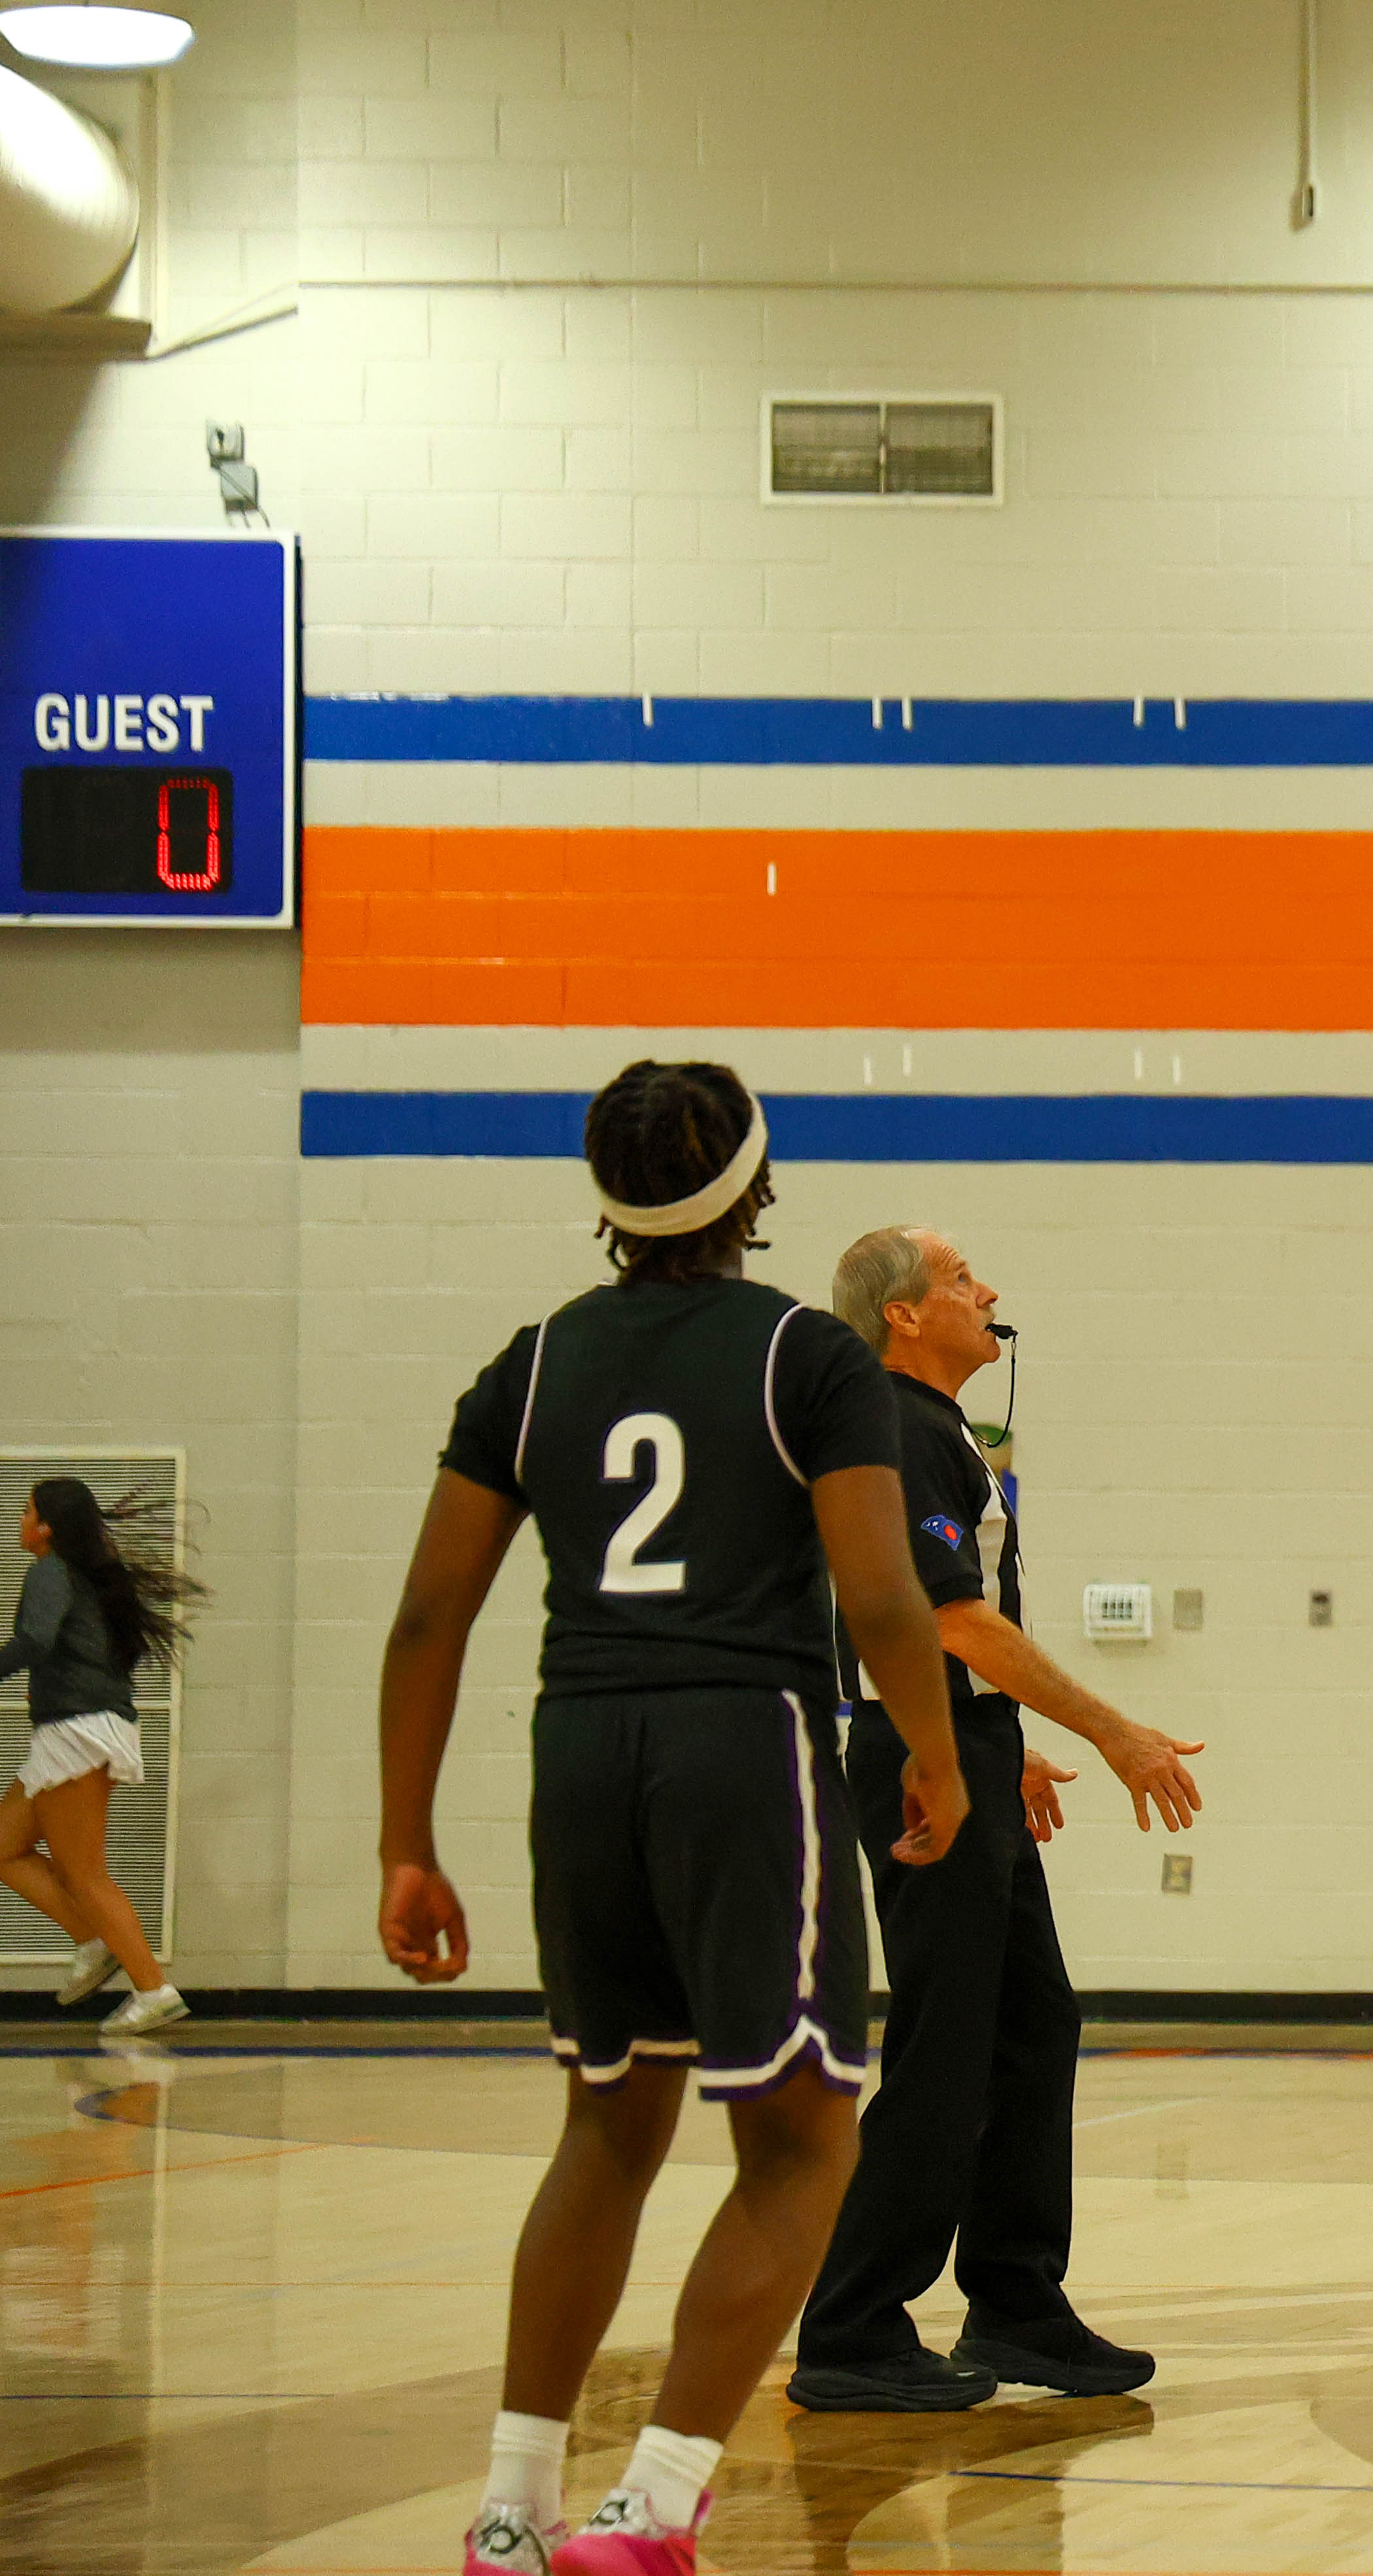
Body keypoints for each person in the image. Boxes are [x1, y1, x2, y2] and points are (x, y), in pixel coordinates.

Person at [377, 1059, 966, 2576]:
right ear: (753, 1189)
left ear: (608, 1195)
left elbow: (429, 1615)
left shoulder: (534, 1361)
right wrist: (935, 1753)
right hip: (740, 1741)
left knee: (607, 2122)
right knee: (804, 2135)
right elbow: (882, 1593)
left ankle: (512, 2508)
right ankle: (653, 2502)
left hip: (578, 1746)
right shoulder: (805, 1355)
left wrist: (405, 1840)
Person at [790, 1227, 1207, 2412]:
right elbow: (949, 1619)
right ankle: (852, 2324)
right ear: (903, 1313)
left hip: (956, 1744)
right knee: (948, 2040)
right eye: (963, 1278)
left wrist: (1001, 1739)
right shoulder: (895, 1424)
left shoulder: (937, 1430)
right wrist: (1110, 1729)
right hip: (920, 1763)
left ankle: (1016, 2300)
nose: (990, 1292)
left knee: (1030, 2021)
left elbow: (939, 1630)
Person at [0, 1475, 201, 2036]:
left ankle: (153, 1990)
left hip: (77, 1733)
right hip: (76, 1728)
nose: (19, 1521)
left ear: (47, 1528)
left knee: (85, 1874)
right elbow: (81, 1652)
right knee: (4, 1848)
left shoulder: (50, 1571)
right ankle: (93, 1941)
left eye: (26, 1512)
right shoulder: (86, 1576)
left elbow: (35, 1640)